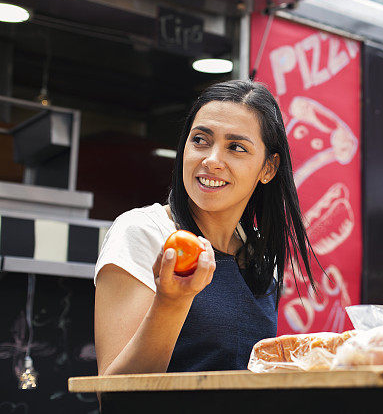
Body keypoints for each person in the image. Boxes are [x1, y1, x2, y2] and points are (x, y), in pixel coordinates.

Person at [94, 79, 317, 374]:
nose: (211, 160)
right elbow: (114, 396)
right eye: (200, 140)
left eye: (236, 147)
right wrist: (171, 302)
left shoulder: (259, 255)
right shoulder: (143, 232)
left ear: (268, 168)